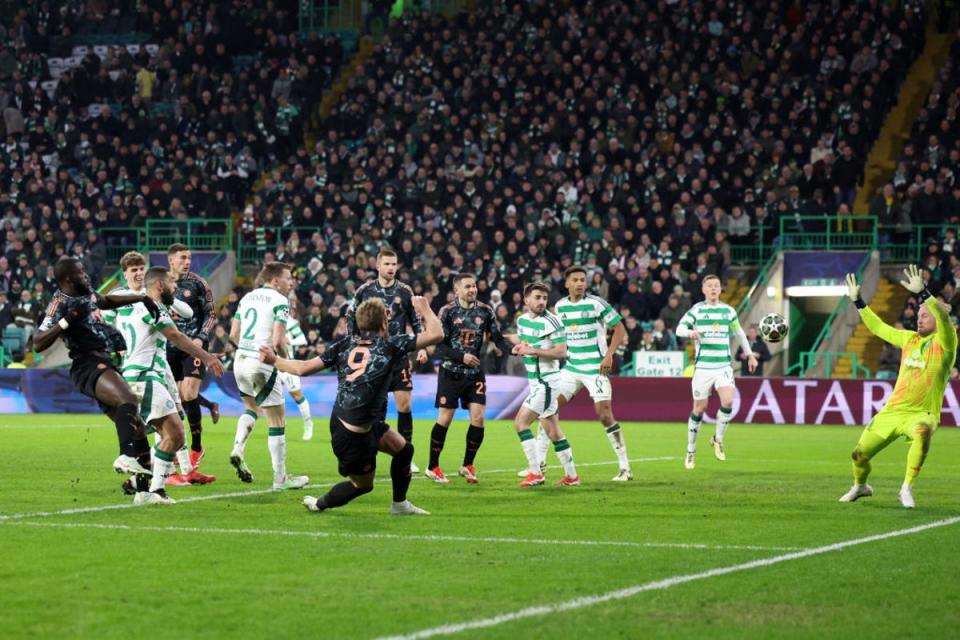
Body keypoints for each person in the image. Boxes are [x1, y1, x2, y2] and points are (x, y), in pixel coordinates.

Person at [260, 296, 443, 515]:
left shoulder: (344, 344)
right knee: (363, 485)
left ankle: (400, 504)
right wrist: (424, 307)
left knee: (404, 450)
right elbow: (437, 334)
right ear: (384, 323)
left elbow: (303, 368)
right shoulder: (390, 345)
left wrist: (274, 361)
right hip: (353, 435)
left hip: (357, 422)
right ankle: (319, 504)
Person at [33, 257, 162, 501]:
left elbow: (105, 301)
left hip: (105, 361)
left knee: (136, 426)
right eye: (81, 272)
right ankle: (125, 456)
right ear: (69, 278)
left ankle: (144, 493)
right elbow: (37, 343)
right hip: (87, 364)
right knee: (128, 399)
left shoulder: (88, 293)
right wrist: (66, 320)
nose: (86, 274)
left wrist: (142, 298)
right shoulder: (59, 302)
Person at [839, 266, 957, 508]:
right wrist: (858, 301)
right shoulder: (909, 339)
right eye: (918, 315)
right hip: (892, 412)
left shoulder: (945, 343)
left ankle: (906, 488)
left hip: (921, 414)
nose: (918, 318)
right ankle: (860, 486)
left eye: (924, 315)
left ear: (936, 318)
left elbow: (944, 320)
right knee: (858, 456)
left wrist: (924, 293)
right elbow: (878, 328)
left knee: (923, 433)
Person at [102, 251, 216, 485]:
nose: (138, 273)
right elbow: (175, 333)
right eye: (133, 270)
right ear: (125, 274)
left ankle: (180, 470)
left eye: (141, 268)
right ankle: (152, 475)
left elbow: (188, 312)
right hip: (146, 369)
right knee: (166, 427)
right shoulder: (126, 299)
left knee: (173, 418)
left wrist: (169, 298)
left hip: (157, 364)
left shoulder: (150, 299)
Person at [526, 266, 632, 481]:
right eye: (575, 280)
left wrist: (609, 355)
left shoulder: (596, 303)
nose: (580, 283)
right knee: (547, 408)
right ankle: (540, 464)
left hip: (596, 368)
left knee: (604, 415)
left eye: (583, 279)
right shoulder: (561, 307)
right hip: (572, 368)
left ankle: (625, 467)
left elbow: (620, 329)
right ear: (567, 284)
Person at [228, 262, 309, 490]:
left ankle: (238, 448)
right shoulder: (280, 301)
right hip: (262, 361)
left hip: (240, 360)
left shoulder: (247, 298)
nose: (290, 282)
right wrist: (285, 362)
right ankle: (280, 480)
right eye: (287, 278)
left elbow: (233, 333)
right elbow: (277, 341)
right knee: (277, 421)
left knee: (250, 408)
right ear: (275, 281)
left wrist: (247, 348)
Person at [345, 249, 427, 472]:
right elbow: (351, 320)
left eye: (394, 264)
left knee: (405, 404)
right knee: (375, 411)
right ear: (378, 266)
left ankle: (405, 455)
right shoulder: (365, 291)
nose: (391, 267)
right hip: (373, 359)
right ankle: (370, 451)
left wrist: (421, 347)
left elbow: (416, 322)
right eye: (387, 264)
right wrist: (353, 345)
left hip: (398, 356)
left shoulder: (404, 291)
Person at [426, 272, 513, 484]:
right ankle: (433, 466)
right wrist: (461, 356)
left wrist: (513, 349)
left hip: (474, 373)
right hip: (450, 372)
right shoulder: (447, 312)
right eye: (467, 286)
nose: (472, 290)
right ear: (457, 290)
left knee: (478, 418)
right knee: (445, 418)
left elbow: (496, 338)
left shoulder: (485, 311)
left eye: (474, 286)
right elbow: (439, 345)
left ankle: (467, 465)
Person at [674, 275, 757, 469]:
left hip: (723, 366)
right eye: (710, 286)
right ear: (703, 290)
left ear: (720, 290)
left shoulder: (728, 311)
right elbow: (679, 329)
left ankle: (718, 439)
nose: (713, 288)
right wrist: (690, 333)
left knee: (728, 400)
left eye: (717, 286)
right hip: (703, 367)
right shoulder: (697, 311)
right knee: (699, 409)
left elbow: (740, 334)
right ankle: (691, 450)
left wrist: (750, 355)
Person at [514, 282, 579, 487]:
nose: (541, 302)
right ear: (527, 300)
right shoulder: (522, 320)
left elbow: (561, 352)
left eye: (544, 298)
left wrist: (534, 351)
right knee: (553, 432)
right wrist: (521, 347)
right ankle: (571, 476)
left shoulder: (554, 322)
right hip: (535, 382)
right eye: (537, 297)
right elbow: (526, 343)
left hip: (547, 382)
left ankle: (535, 473)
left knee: (520, 423)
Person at [166, 243, 217, 473]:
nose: (187, 261)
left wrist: (202, 337)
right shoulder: (162, 283)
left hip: (194, 345)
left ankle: (197, 447)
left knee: (189, 393)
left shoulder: (198, 283)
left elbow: (210, 312)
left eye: (189, 257)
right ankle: (181, 449)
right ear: (171, 261)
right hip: (169, 347)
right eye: (183, 258)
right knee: (178, 399)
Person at [281, 295, 314, 440]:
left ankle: (308, 424)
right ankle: (279, 423)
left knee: (297, 395)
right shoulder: (268, 322)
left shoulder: (290, 323)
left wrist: (290, 341)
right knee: (269, 395)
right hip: (271, 363)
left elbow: (302, 339)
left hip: (288, 363)